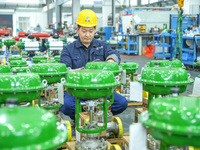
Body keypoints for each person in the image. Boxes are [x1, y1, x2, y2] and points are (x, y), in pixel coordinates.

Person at [59, 9, 128, 121]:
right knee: (66, 106)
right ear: (77, 30)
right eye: (84, 31)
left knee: (122, 103)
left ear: (95, 30)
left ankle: (100, 115)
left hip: (100, 90)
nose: (87, 35)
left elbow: (114, 55)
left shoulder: (103, 46)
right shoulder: (68, 49)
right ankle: (78, 118)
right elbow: (65, 71)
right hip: (78, 91)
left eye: (91, 31)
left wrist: (110, 62)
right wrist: (86, 70)